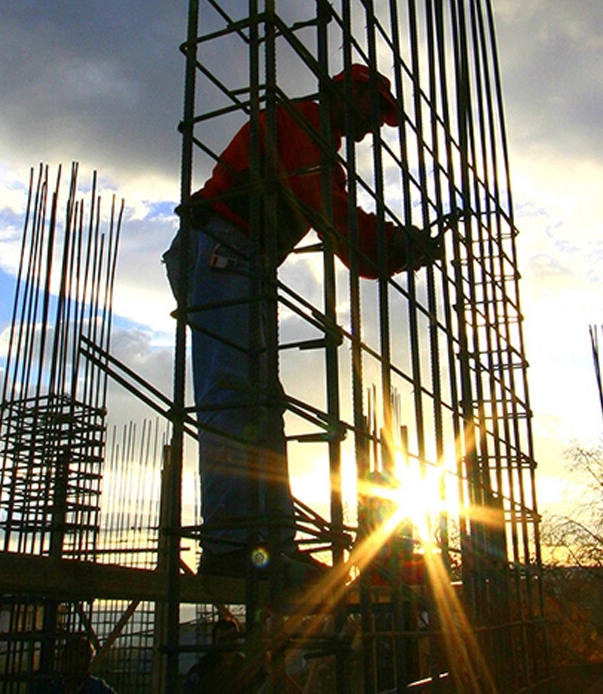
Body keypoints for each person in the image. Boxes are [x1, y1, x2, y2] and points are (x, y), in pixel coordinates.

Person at [164, 64, 438, 586]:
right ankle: (229, 546)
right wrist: (400, 245)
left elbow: (346, 232)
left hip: (242, 258)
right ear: (347, 93)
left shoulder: (313, 139)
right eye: (374, 111)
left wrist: (398, 249)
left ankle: (270, 547)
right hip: (221, 248)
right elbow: (341, 226)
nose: (373, 127)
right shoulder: (301, 126)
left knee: (262, 408)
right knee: (233, 397)